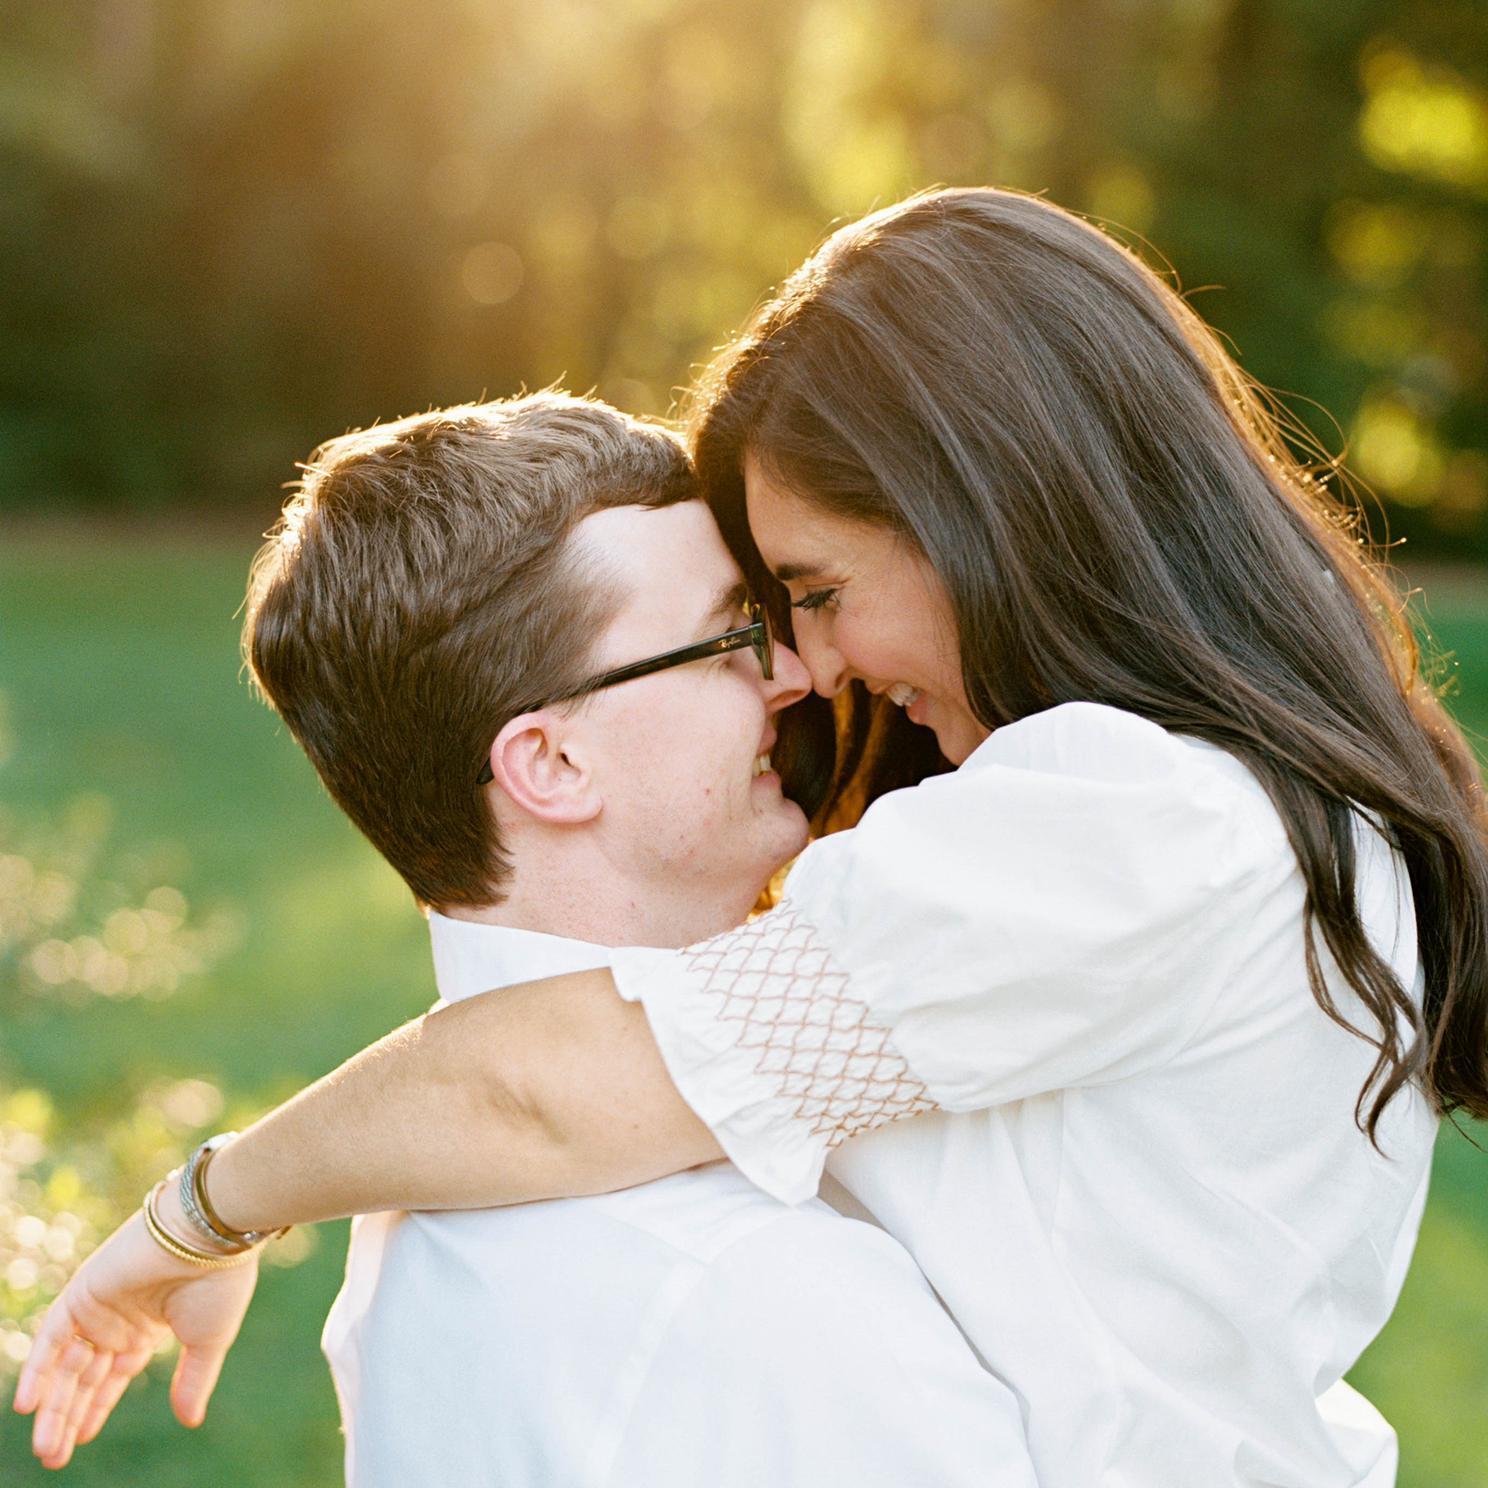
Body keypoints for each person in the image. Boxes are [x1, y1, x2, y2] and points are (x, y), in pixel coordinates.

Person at [19, 188, 1488, 1488]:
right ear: (547, 758)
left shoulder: (1136, 821)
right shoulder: (706, 1284)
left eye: (811, 594)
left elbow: (544, 1093)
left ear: (985, 518)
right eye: (751, 623)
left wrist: (205, 1211)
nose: (810, 669)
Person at [17, 392, 1041, 1484]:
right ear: (552, 764)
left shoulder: (413, 1228)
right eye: (732, 636)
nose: (793, 673)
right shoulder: (766, 1301)